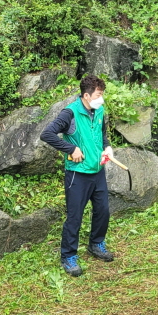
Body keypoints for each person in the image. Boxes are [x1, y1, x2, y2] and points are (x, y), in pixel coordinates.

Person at [41, 75, 116, 276]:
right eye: (99, 95)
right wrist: (70, 148)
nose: (102, 98)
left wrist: (107, 148)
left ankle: (96, 244)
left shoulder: (99, 110)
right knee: (75, 216)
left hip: (97, 171)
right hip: (77, 174)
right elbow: (47, 134)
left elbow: (102, 134)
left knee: (103, 210)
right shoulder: (70, 113)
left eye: (102, 94)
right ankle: (68, 256)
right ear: (86, 95)